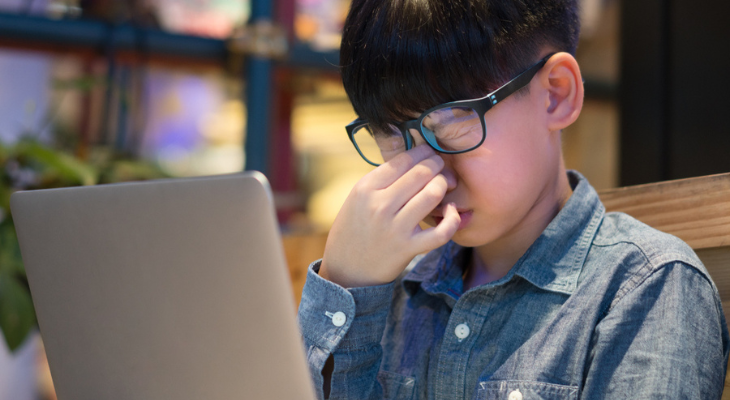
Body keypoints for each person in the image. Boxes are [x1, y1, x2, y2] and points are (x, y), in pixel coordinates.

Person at [297, 0, 730, 398]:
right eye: (390, 134)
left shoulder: (645, 288)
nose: (427, 174)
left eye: (452, 122)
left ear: (555, 93)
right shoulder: (383, 290)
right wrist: (345, 286)